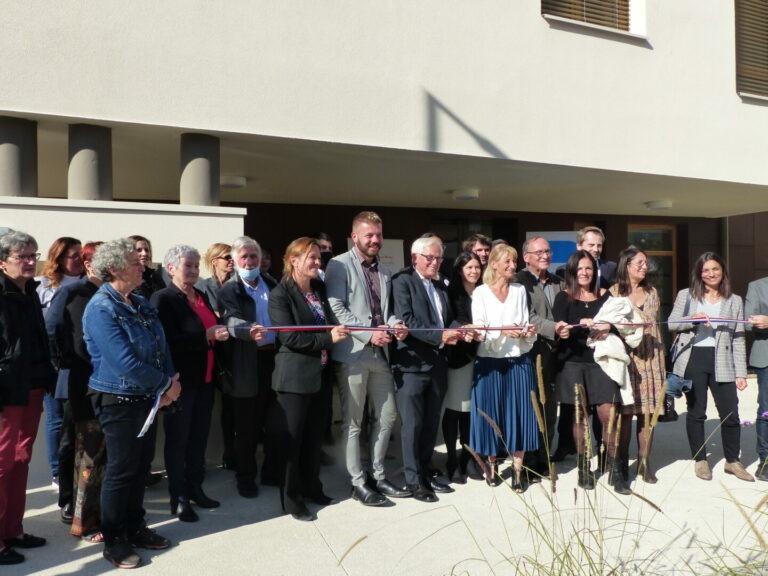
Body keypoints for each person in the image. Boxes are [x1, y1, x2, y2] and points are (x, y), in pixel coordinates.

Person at [83, 238, 181, 569]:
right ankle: (115, 539)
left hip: (147, 398)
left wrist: (168, 381)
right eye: (134, 261)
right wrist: (166, 384)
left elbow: (160, 345)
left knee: (140, 468)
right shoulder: (100, 308)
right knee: (121, 470)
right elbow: (124, 361)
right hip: (119, 399)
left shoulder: (138, 302)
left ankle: (135, 526)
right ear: (114, 268)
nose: (143, 264)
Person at [326, 211, 410, 506]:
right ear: (354, 237)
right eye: (369, 235)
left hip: (380, 353)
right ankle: (358, 482)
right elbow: (336, 305)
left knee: (387, 416)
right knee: (353, 422)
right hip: (353, 353)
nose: (375, 240)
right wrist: (368, 333)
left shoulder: (384, 271)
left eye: (378, 235)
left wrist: (394, 323)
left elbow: (386, 311)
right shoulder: (338, 264)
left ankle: (378, 475)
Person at [268, 237, 349, 521]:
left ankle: (313, 487)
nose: (317, 262)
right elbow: (289, 336)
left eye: (318, 257)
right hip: (294, 381)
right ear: (294, 260)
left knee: (314, 438)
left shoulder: (319, 290)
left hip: (320, 376)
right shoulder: (280, 294)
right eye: (311, 258)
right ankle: (292, 500)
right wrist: (328, 338)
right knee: (293, 442)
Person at [151, 245, 229, 522]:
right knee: (178, 440)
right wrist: (205, 336)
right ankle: (179, 496)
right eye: (188, 266)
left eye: (197, 266)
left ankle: (196, 488)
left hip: (206, 379)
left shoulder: (200, 296)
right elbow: (165, 342)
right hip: (180, 383)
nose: (194, 271)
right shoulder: (163, 298)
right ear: (171, 268)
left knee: (199, 438)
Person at [391, 236, 468, 502]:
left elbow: (449, 317)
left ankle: (425, 471)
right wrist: (440, 336)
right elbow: (408, 320)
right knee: (412, 425)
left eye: (439, 258)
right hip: (411, 364)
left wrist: (459, 329)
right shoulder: (402, 281)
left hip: (438, 364)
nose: (435, 263)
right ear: (415, 258)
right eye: (430, 258)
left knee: (430, 424)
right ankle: (414, 481)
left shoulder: (442, 285)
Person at [668, 252, 753, 482]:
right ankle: (700, 460)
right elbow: (671, 323)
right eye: (706, 270)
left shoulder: (734, 300)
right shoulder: (686, 295)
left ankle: (732, 461)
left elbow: (738, 337)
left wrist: (741, 372)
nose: (711, 274)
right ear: (699, 273)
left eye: (715, 269)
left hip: (723, 360)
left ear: (722, 271)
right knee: (696, 412)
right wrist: (692, 318)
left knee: (730, 414)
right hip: (694, 358)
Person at [0, 231, 57, 566]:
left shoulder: (31, 291)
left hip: (33, 387)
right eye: (22, 256)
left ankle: (13, 530)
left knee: (20, 460)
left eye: (33, 254)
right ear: (3, 261)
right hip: (7, 390)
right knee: (3, 464)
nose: (30, 261)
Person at [553, 250, 629, 493]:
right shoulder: (563, 298)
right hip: (573, 363)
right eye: (580, 269)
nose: (584, 273)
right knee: (580, 417)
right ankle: (584, 467)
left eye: (588, 268)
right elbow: (559, 332)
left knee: (609, 414)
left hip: (602, 363)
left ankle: (615, 468)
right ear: (572, 272)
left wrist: (609, 326)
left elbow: (622, 325)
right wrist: (575, 328)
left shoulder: (607, 296)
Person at [470, 244, 539, 492]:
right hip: (489, 362)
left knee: (520, 414)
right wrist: (502, 332)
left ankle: (518, 471)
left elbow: (522, 325)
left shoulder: (520, 290)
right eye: (507, 262)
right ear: (494, 264)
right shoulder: (480, 293)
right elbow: (479, 330)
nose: (512, 266)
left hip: (518, 360)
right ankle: (492, 465)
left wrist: (527, 332)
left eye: (514, 261)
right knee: (491, 414)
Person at [218, 237, 277, 497]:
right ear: (235, 260)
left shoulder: (273, 284)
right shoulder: (228, 290)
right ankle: (246, 476)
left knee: (273, 420)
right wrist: (246, 330)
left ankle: (271, 473)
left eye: (254, 256)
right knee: (246, 427)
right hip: (245, 360)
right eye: (244, 257)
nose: (250, 261)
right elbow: (230, 319)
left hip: (273, 359)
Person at [58, 242, 105, 540]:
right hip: (84, 383)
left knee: (100, 453)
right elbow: (80, 345)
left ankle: (96, 509)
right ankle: (76, 509)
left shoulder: (114, 295)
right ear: (89, 265)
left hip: (105, 383)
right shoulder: (79, 295)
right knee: (80, 451)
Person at [610, 246, 667, 484]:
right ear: (626, 265)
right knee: (624, 415)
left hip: (651, 358)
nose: (645, 267)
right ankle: (621, 463)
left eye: (646, 263)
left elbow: (654, 324)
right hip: (625, 358)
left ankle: (644, 462)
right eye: (640, 263)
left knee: (647, 414)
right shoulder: (613, 293)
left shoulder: (652, 292)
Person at [37, 236, 84, 493]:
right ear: (58, 258)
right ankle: (57, 472)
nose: (77, 260)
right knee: (56, 418)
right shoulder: (42, 285)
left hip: (80, 363)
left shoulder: (89, 284)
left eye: (80, 255)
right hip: (54, 364)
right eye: (72, 255)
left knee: (78, 419)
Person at [517, 237, 564, 476]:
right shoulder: (518, 282)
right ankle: (529, 459)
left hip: (556, 354)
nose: (545, 255)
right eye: (539, 252)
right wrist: (554, 328)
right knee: (531, 407)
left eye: (547, 251)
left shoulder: (558, 282)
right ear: (526, 257)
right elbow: (527, 316)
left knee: (549, 408)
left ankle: (545, 454)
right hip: (531, 353)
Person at [443, 251, 482, 483]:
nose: (474, 271)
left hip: (480, 356)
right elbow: (448, 319)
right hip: (458, 357)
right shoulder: (452, 293)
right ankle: (451, 459)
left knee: (471, 412)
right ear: (460, 270)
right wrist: (463, 328)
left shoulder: (483, 292)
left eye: (477, 267)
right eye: (469, 268)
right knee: (455, 409)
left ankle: (468, 457)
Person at [746, 276, 768, 481]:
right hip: (766, 357)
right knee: (766, 411)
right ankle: (765, 461)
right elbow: (748, 322)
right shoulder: (757, 286)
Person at [197, 242, 234, 314]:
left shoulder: (239, 285)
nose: (232, 260)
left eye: (233, 257)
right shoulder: (202, 287)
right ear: (214, 261)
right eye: (227, 257)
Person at [129, 235, 166, 299]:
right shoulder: (126, 277)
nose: (144, 253)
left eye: (146, 250)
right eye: (139, 250)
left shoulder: (154, 276)